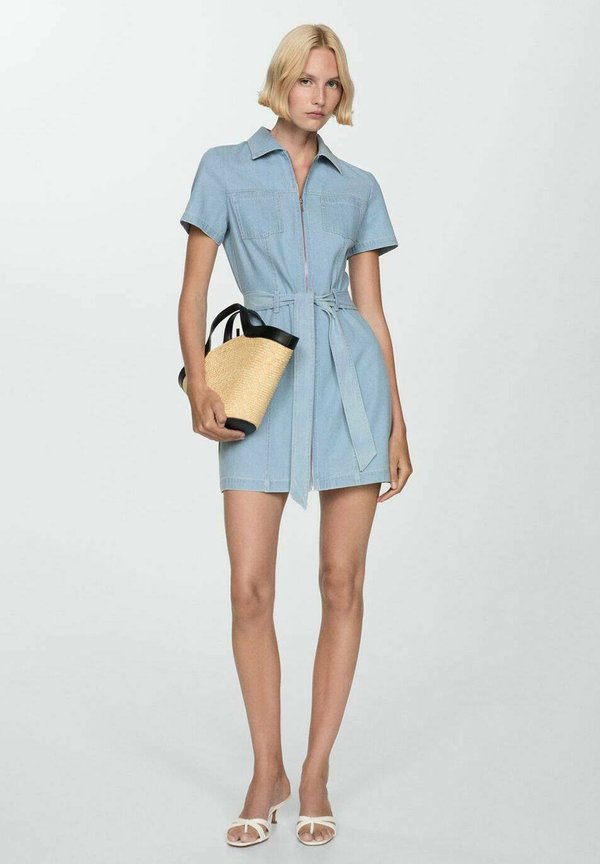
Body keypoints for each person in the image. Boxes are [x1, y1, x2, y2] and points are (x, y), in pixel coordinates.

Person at [177, 23, 412, 848]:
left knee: (341, 582)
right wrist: (201, 383)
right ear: (279, 82)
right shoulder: (224, 169)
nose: (319, 95)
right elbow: (193, 291)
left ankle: (313, 774)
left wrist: (397, 421)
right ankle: (265, 769)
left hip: (350, 389)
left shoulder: (360, 186)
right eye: (307, 80)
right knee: (249, 588)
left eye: (332, 83)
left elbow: (373, 312)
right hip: (261, 384)